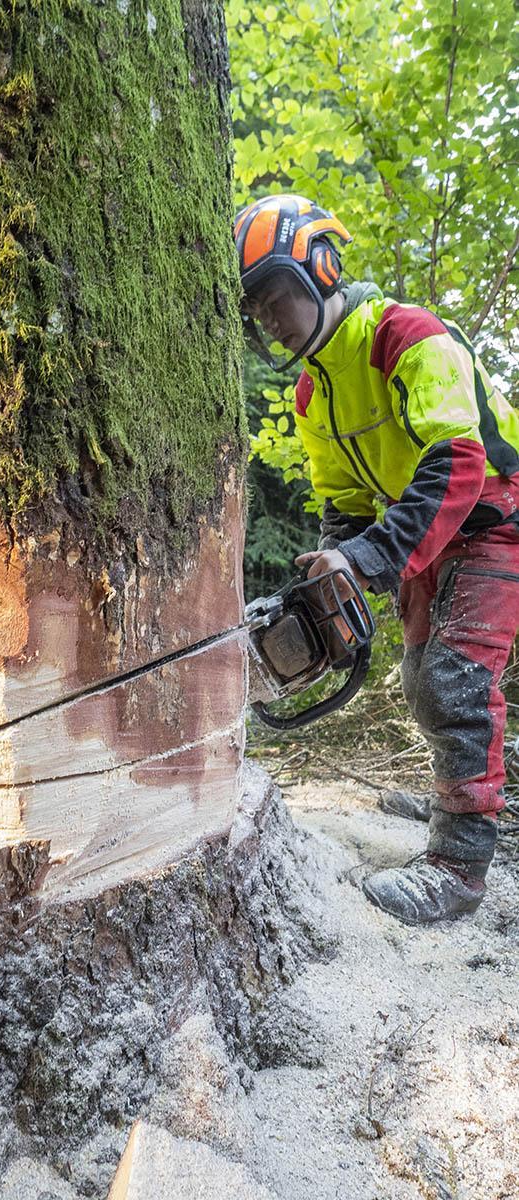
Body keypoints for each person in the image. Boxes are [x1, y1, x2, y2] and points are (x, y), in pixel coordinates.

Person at [235, 193, 519, 925]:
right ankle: (466, 795)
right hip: (422, 534)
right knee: (418, 675)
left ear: (319, 270)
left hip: (492, 517)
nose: (267, 315)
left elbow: (455, 461)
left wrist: (367, 558)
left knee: (452, 682)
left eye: (275, 294)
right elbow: (343, 502)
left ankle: (458, 865)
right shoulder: (310, 393)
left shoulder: (405, 336)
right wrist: (336, 563)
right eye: (256, 306)